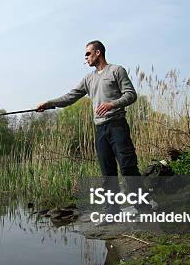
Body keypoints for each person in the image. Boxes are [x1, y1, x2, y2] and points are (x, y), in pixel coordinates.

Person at [37, 40, 140, 177]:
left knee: (128, 168)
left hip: (117, 126)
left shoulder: (116, 70)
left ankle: (142, 198)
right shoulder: (88, 79)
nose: (86, 57)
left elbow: (131, 95)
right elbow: (70, 97)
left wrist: (112, 104)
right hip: (100, 130)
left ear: (98, 53)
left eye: (88, 53)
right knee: (107, 173)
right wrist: (49, 104)